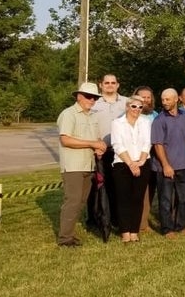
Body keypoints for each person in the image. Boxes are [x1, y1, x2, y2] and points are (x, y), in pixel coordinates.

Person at [56, 82, 106, 247]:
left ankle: (69, 233)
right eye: (88, 96)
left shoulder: (93, 116)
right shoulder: (68, 114)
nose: (92, 100)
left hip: (88, 164)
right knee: (73, 200)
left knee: (81, 201)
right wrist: (93, 143)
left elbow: (96, 140)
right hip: (73, 165)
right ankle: (65, 238)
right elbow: (66, 140)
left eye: (95, 97)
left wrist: (99, 147)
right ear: (78, 96)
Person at [151, 88, 185, 238]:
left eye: (168, 99)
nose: (165, 102)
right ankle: (167, 228)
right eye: (163, 100)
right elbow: (157, 145)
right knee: (166, 199)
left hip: (183, 165)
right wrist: (166, 165)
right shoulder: (159, 120)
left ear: (176, 99)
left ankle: (180, 225)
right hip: (165, 168)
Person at [110, 95, 151, 243]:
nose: (137, 110)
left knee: (137, 198)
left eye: (140, 107)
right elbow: (117, 144)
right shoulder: (117, 123)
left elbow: (147, 142)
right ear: (127, 107)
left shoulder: (145, 122)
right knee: (123, 198)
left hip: (142, 163)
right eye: (134, 106)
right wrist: (131, 164)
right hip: (122, 164)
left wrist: (140, 161)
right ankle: (125, 231)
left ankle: (134, 230)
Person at [89, 74, 127, 228]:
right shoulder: (94, 103)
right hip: (100, 151)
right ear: (101, 85)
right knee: (96, 186)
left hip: (121, 151)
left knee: (117, 186)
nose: (110, 85)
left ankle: (116, 219)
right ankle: (95, 219)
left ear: (118, 85)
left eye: (113, 82)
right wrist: (95, 145)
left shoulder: (126, 102)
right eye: (107, 83)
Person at [132, 86, 157, 233]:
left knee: (149, 190)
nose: (146, 100)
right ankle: (138, 223)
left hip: (153, 157)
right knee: (138, 191)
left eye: (148, 97)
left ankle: (143, 221)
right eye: (143, 97)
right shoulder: (131, 114)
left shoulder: (155, 115)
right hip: (136, 158)